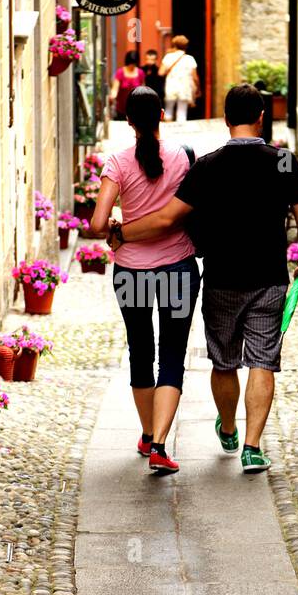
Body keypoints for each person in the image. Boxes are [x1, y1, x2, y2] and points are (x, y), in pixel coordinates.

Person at [108, 83, 298, 474]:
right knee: (263, 361)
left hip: (221, 278)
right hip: (270, 277)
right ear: (260, 118)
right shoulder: (285, 161)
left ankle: (228, 427)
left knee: (224, 362)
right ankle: (252, 447)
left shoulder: (207, 164)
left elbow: (173, 218)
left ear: (225, 119)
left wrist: (123, 234)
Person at [88, 86, 200, 476]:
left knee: (141, 352)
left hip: (131, 272)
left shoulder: (116, 163)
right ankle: (160, 445)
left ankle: (148, 432)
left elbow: (99, 223)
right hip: (178, 269)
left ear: (129, 121)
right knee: (172, 355)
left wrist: (119, 226)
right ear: (161, 117)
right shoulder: (184, 157)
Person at [159, 35, 199, 123]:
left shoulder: (168, 57)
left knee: (168, 111)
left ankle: (168, 132)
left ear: (174, 45)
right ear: (186, 46)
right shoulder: (190, 59)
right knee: (182, 113)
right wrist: (198, 88)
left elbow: (161, 72)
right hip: (184, 87)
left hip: (171, 86)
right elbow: (195, 77)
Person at [109, 50, 144, 120]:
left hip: (136, 109)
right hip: (121, 109)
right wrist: (112, 96)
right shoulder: (120, 72)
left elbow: (142, 89)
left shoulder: (140, 73)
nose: (132, 66)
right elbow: (115, 88)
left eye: (134, 64)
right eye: (130, 63)